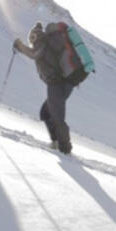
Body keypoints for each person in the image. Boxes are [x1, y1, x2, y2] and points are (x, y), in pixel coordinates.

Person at [14, 23, 75, 154]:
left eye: (31, 37)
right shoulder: (48, 43)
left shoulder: (41, 42)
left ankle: (64, 147)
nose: (31, 40)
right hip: (62, 84)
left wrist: (19, 46)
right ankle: (56, 142)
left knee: (56, 116)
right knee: (46, 113)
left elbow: (34, 54)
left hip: (58, 84)